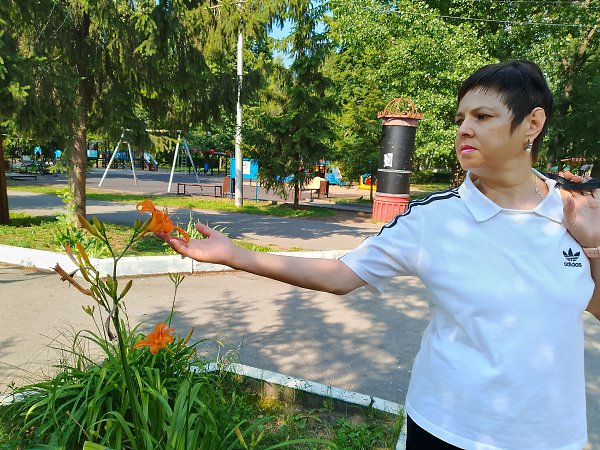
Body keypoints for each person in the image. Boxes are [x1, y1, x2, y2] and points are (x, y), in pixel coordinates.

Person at [157, 60, 600, 449]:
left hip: (552, 435)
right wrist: (236, 255)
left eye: (483, 116)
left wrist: (595, 245)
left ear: (532, 123)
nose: (464, 128)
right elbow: (341, 275)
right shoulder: (432, 219)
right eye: (460, 117)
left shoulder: (579, 209)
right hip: (449, 429)